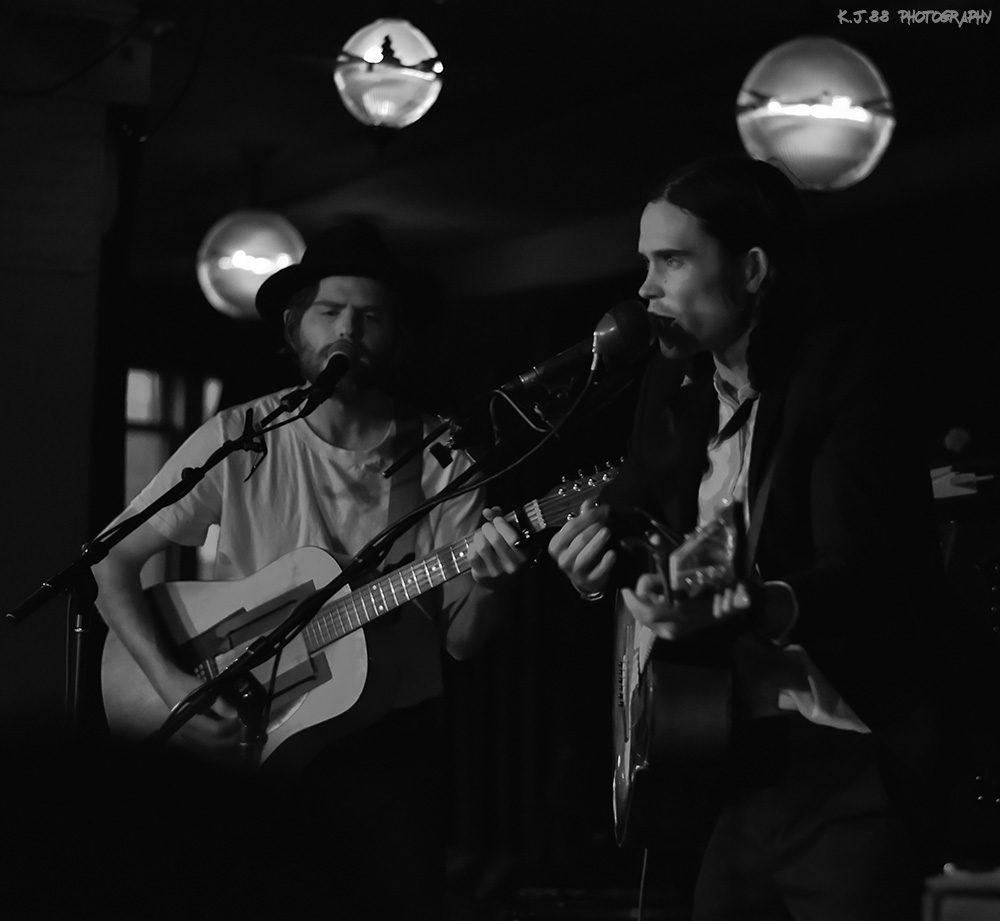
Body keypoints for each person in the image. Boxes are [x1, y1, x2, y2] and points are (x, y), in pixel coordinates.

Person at [533, 155, 975, 919]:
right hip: (729, 761)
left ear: (753, 269)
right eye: (645, 262)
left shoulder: (844, 371)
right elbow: (635, 518)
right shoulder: (672, 389)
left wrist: (742, 607)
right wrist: (592, 560)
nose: (645, 288)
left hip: (848, 756)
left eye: (671, 259)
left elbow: (864, 577)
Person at [93, 219, 526, 919]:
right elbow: (113, 560)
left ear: (397, 334)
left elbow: (463, 641)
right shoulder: (242, 437)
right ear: (297, 327)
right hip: (250, 732)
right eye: (329, 311)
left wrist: (497, 580)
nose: (348, 331)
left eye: (371, 316)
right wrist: (174, 688)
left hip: (388, 755)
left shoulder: (443, 456)